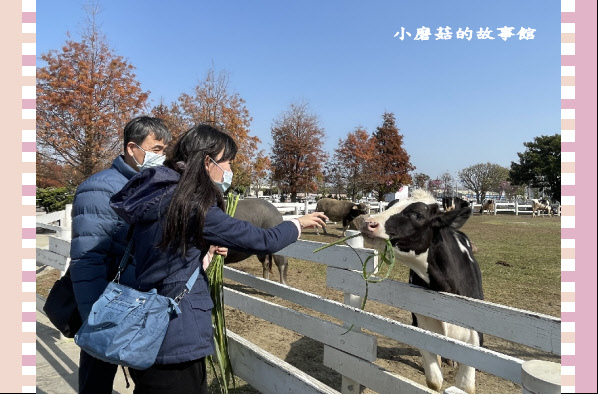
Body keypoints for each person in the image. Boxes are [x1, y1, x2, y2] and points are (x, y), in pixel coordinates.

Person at [109, 123, 327, 394]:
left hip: (144, 329)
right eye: (227, 161)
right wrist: (297, 223)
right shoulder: (191, 205)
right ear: (207, 161)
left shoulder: (159, 196)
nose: (229, 170)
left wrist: (201, 253)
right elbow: (263, 240)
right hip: (176, 336)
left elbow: (161, 255)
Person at [69, 116, 172, 394]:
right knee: (96, 382)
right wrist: (94, 320)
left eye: (164, 150)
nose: (162, 157)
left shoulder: (154, 187)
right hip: (106, 307)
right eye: (157, 149)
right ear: (131, 147)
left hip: (141, 305)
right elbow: (86, 258)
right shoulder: (100, 189)